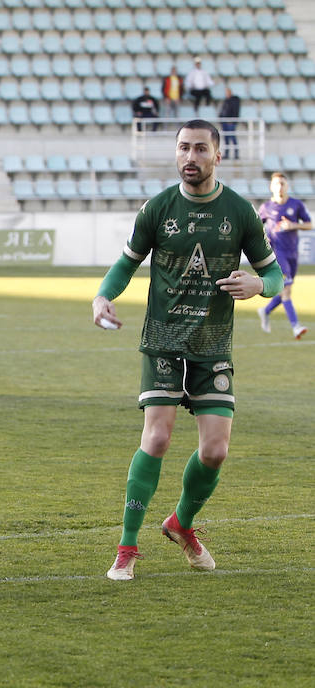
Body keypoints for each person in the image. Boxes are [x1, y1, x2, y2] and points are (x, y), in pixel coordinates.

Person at [91, 120, 283, 581]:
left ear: (218, 156)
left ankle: (181, 522)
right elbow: (125, 264)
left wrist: (258, 284)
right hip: (163, 340)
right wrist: (103, 296)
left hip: (212, 344)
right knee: (157, 438)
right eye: (183, 148)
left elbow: (273, 276)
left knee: (215, 451)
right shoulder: (157, 209)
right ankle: (127, 547)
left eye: (200, 148)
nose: (190, 156)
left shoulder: (240, 212)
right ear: (175, 154)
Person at [257, 172, 312, 339]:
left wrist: (292, 225)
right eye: (276, 184)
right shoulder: (266, 207)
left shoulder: (296, 205)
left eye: (282, 183)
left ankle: (265, 311)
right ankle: (296, 327)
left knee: (285, 290)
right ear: (271, 187)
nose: (280, 187)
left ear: (287, 186)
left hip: (292, 254)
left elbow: (309, 225)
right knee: (286, 290)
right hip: (277, 254)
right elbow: (256, 228)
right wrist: (263, 237)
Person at [219, 88, 241, 160]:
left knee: (232, 137)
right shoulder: (226, 101)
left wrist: (232, 120)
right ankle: (227, 153)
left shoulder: (234, 101)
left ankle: (236, 153)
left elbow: (235, 111)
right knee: (226, 138)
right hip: (224, 121)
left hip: (230, 122)